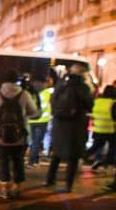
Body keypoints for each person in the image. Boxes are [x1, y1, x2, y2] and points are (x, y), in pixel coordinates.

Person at [45, 64, 95, 192]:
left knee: (56, 154)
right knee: (73, 157)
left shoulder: (61, 85)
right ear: (83, 75)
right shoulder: (82, 87)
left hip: (59, 124)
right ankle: (68, 185)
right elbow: (90, 105)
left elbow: (53, 102)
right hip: (75, 125)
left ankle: (49, 179)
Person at [0, 70, 40, 199]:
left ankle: (4, 188)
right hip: (20, 135)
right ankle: (17, 188)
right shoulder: (24, 94)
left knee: (3, 161)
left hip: (2, 135)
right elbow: (33, 112)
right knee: (18, 161)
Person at [28, 69, 56, 166]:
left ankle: (35, 160)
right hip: (42, 120)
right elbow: (44, 107)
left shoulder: (30, 92)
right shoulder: (46, 93)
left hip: (31, 119)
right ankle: (32, 161)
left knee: (33, 141)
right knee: (37, 141)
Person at [87, 85, 116, 171]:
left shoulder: (97, 101)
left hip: (98, 128)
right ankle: (109, 164)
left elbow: (92, 112)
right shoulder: (113, 102)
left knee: (95, 146)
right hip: (110, 129)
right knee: (113, 147)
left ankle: (81, 157)